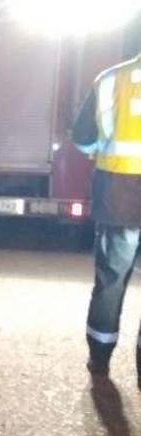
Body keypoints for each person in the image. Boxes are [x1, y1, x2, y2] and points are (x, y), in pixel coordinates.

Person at [72, 52, 141, 383]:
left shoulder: (112, 78)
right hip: (119, 195)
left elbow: (83, 138)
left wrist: (102, 150)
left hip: (119, 195)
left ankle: (99, 358)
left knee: (111, 281)